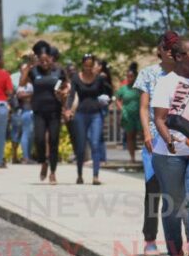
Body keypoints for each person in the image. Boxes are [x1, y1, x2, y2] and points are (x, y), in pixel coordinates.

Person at [151, 37, 189, 256]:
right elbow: (160, 118)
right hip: (168, 154)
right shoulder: (166, 83)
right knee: (174, 205)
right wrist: (169, 139)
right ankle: (175, 253)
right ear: (179, 56)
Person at [135, 32, 178, 256]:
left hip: (179, 139)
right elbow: (144, 107)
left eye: (174, 46)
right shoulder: (149, 74)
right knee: (153, 189)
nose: (170, 50)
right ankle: (150, 237)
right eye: (166, 46)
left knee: (178, 193)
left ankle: (179, 240)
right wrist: (146, 133)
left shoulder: (187, 73)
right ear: (159, 50)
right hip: (154, 138)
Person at [66, 53, 113, 185]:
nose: (88, 68)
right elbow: (71, 95)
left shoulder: (99, 79)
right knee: (80, 146)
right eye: (86, 65)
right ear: (82, 65)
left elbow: (107, 92)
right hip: (80, 114)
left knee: (95, 143)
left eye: (90, 65)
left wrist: (107, 102)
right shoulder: (76, 78)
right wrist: (69, 109)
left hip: (95, 114)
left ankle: (95, 176)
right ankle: (80, 174)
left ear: (93, 66)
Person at [26, 42, 69, 184]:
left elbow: (67, 87)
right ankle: (43, 163)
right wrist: (28, 66)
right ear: (38, 59)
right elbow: (21, 83)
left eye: (47, 59)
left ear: (51, 58)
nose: (44, 62)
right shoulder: (34, 72)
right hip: (38, 111)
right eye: (41, 60)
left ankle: (52, 172)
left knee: (54, 140)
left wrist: (63, 93)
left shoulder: (59, 72)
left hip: (54, 111)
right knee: (39, 139)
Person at [10, 54, 35, 164]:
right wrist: (34, 94)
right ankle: (23, 157)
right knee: (21, 133)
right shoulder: (19, 80)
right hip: (21, 110)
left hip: (31, 110)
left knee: (29, 133)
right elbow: (19, 94)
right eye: (24, 69)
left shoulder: (33, 81)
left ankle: (27, 156)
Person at [116, 62, 142, 163]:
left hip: (139, 115)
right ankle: (132, 158)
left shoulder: (139, 88)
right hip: (128, 116)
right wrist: (121, 108)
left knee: (143, 135)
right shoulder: (123, 88)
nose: (129, 78)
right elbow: (117, 98)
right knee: (130, 137)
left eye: (131, 76)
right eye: (128, 76)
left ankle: (148, 156)